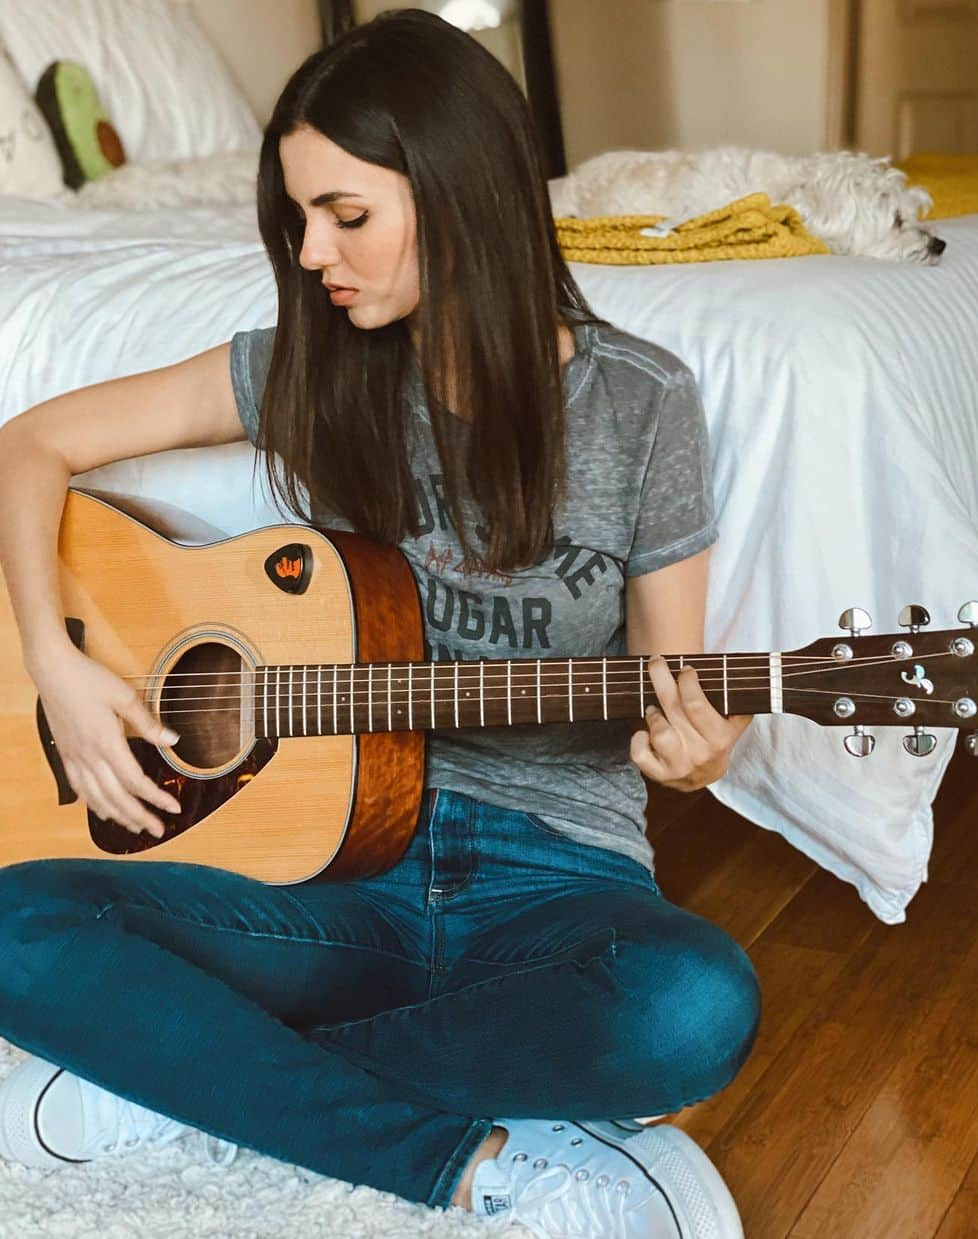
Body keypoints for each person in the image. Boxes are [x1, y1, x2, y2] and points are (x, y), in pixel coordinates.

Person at [0, 10, 759, 1236]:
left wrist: (705, 749)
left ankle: (207, 1080)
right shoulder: (313, 367)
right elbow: (27, 445)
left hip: (553, 882)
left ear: (460, 194)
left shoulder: (641, 401)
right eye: (300, 219)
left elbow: (677, 687)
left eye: (347, 216)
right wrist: (58, 665)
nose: (312, 254)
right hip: (326, 870)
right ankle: (468, 1159)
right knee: (13, 926)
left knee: (693, 1005)